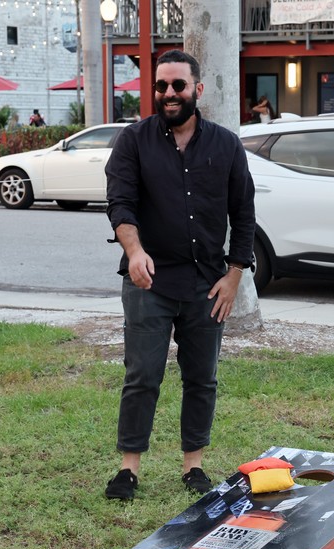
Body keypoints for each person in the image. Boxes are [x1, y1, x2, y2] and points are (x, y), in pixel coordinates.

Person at [102, 49, 256, 500]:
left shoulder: (226, 145)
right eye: (161, 85)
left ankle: (194, 467)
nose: (169, 93)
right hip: (148, 281)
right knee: (142, 375)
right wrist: (134, 252)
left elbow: (243, 214)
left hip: (206, 283)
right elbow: (120, 204)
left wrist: (234, 275)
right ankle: (128, 469)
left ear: (197, 89)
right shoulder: (133, 141)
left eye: (178, 85)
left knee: (202, 378)